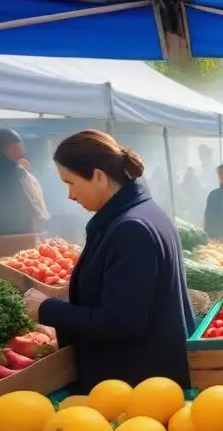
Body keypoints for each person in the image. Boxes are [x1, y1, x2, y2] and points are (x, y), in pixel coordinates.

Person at [23, 130, 194, 390]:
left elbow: (120, 323)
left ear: (99, 177)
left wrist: (47, 309)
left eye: (70, 182)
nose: (70, 195)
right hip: (145, 379)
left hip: (138, 386)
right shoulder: (140, 213)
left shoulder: (131, 228)